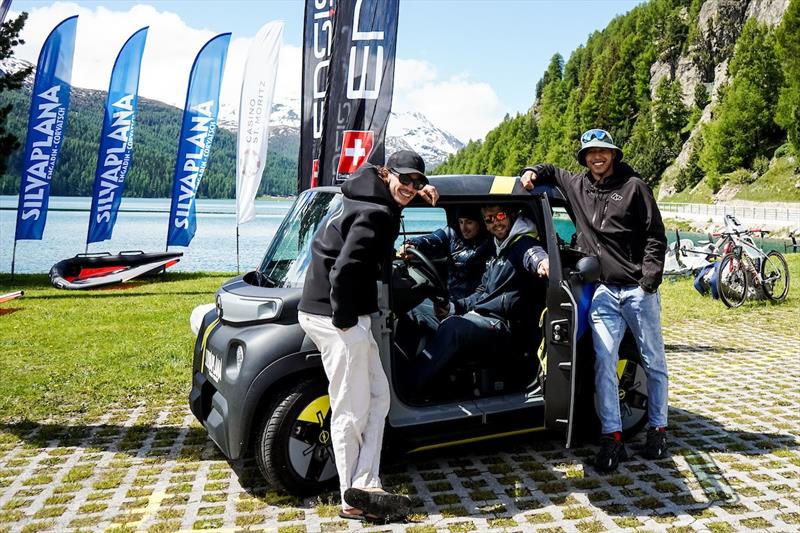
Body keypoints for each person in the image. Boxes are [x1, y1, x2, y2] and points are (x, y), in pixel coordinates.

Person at [297, 150, 439, 521]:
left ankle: (367, 481)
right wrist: (345, 319)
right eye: (405, 180)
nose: (410, 187)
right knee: (351, 408)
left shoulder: (365, 192)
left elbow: (389, 202)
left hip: (335, 314)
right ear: (387, 172)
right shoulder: (376, 213)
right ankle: (352, 499)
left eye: (417, 181)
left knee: (378, 397)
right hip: (339, 319)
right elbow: (344, 270)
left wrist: (416, 193)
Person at [520, 128, 669, 472]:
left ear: (613, 154)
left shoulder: (634, 187)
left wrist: (648, 280)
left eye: (602, 151)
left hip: (636, 290)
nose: (596, 157)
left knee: (653, 361)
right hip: (602, 290)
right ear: (584, 158)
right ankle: (612, 438)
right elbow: (550, 172)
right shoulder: (577, 185)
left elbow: (655, 236)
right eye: (590, 153)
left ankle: (658, 429)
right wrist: (531, 172)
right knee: (604, 364)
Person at [411, 205, 549, 393]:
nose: (495, 223)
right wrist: (452, 307)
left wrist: (542, 262)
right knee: (418, 308)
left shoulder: (520, 242)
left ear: (512, 214)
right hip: (480, 316)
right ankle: (399, 377)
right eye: (489, 220)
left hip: (504, 326)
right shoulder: (497, 248)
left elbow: (531, 254)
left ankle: (411, 388)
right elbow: (482, 292)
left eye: (499, 215)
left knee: (453, 327)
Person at [400, 206, 494, 300]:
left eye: (469, 222)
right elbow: (433, 238)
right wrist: (412, 244)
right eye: (461, 222)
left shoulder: (491, 243)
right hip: (451, 297)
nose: (464, 228)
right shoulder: (453, 232)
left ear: (480, 223)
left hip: (475, 300)